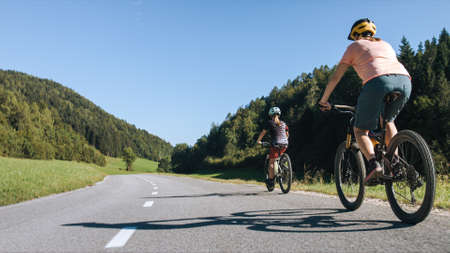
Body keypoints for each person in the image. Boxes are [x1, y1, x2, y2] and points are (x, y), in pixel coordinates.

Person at [318, 18, 411, 184]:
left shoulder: (354, 46)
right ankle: (396, 163)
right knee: (388, 121)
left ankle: (374, 164)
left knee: (360, 130)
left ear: (356, 35)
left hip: (378, 83)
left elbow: (335, 77)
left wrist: (324, 100)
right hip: (404, 81)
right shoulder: (385, 44)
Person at [256, 106, 289, 189]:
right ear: (279, 115)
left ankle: (271, 181)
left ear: (270, 115)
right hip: (285, 144)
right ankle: (283, 166)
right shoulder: (284, 123)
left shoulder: (270, 123)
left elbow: (263, 133)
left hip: (276, 144)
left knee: (271, 162)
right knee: (279, 155)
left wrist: (259, 141)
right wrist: (284, 140)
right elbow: (287, 134)